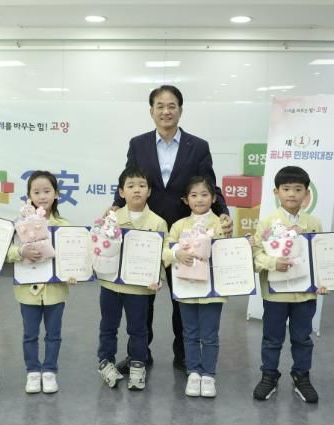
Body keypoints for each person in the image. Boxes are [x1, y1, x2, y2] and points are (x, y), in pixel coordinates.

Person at [112, 84, 232, 371]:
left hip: (185, 234)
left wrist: (223, 213)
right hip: (146, 230)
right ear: (151, 110)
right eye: (160, 106)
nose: (166, 111)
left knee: (184, 296)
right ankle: (139, 353)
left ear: (180, 110)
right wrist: (115, 206)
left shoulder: (198, 146)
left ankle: (184, 353)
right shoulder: (138, 144)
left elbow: (209, 186)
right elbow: (130, 179)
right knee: (141, 296)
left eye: (171, 106)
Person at [251, 166, 326, 404]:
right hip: (276, 295)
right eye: (286, 189)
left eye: (297, 189)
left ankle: (301, 376)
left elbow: (320, 257)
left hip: (305, 294)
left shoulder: (314, 223)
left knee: (302, 337)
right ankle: (269, 375)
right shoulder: (267, 223)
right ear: (276, 192)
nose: (292, 194)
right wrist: (273, 262)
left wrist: (323, 280)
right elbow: (255, 256)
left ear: (307, 194)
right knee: (272, 338)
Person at [97, 166, 168, 391]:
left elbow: (162, 254)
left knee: (138, 329)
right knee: (108, 326)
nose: (137, 190)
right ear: (121, 192)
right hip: (110, 284)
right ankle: (105, 362)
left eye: (142, 185)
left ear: (149, 191)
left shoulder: (158, 222)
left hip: (139, 288)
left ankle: (138, 364)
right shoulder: (111, 219)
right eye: (130, 186)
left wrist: (159, 278)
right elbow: (99, 247)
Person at [6, 170, 73, 394]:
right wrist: (21, 251)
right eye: (36, 192)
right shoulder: (19, 224)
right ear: (29, 196)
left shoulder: (63, 225)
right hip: (28, 291)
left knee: (54, 334)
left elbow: (70, 256)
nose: (42, 196)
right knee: (30, 334)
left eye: (47, 191)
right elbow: (6, 253)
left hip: (55, 290)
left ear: (56, 194)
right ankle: (33, 371)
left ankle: (50, 370)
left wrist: (74, 272)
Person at [163, 176, 227, 398]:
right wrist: (176, 253)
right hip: (187, 289)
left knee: (210, 334)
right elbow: (164, 250)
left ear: (214, 198)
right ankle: (193, 373)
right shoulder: (179, 225)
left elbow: (230, 250)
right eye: (194, 195)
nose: (199, 199)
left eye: (204, 194)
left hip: (212, 291)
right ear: (185, 200)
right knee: (189, 333)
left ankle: (208, 374)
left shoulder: (221, 224)